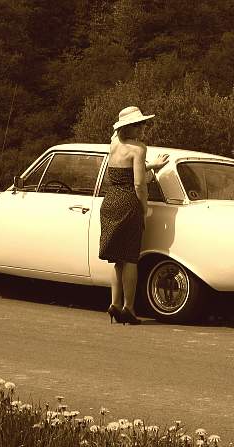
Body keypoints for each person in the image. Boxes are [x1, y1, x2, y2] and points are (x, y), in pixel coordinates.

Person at [99, 106, 169, 325]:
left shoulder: (114, 143)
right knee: (130, 258)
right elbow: (139, 184)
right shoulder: (139, 149)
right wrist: (143, 207)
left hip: (110, 202)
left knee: (117, 260)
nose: (143, 128)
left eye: (143, 124)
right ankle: (129, 308)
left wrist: (151, 165)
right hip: (128, 203)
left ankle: (114, 304)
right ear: (130, 127)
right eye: (139, 125)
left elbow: (126, 170)